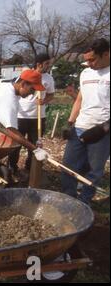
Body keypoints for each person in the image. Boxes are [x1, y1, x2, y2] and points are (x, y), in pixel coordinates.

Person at [61, 38, 110, 204]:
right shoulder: (86, 73)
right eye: (86, 60)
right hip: (79, 128)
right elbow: (80, 99)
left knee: (94, 172)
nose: (89, 63)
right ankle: (69, 201)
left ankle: (84, 203)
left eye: (92, 59)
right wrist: (69, 122)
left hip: (101, 131)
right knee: (67, 168)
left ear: (106, 54)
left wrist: (105, 127)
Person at [8, 54, 56, 175]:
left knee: (35, 145)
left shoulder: (49, 79)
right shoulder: (26, 74)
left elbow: (51, 95)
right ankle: (12, 168)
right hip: (21, 116)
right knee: (16, 144)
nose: (48, 66)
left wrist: (44, 101)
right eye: (46, 64)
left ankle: (30, 168)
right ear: (39, 64)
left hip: (38, 117)